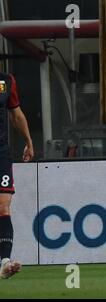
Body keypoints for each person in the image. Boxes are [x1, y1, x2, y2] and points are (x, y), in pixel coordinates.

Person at [0, 72, 34, 279]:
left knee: (3, 206)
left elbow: (16, 114)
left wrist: (28, 141)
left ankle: (4, 262)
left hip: (1, 153)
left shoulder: (6, 80)